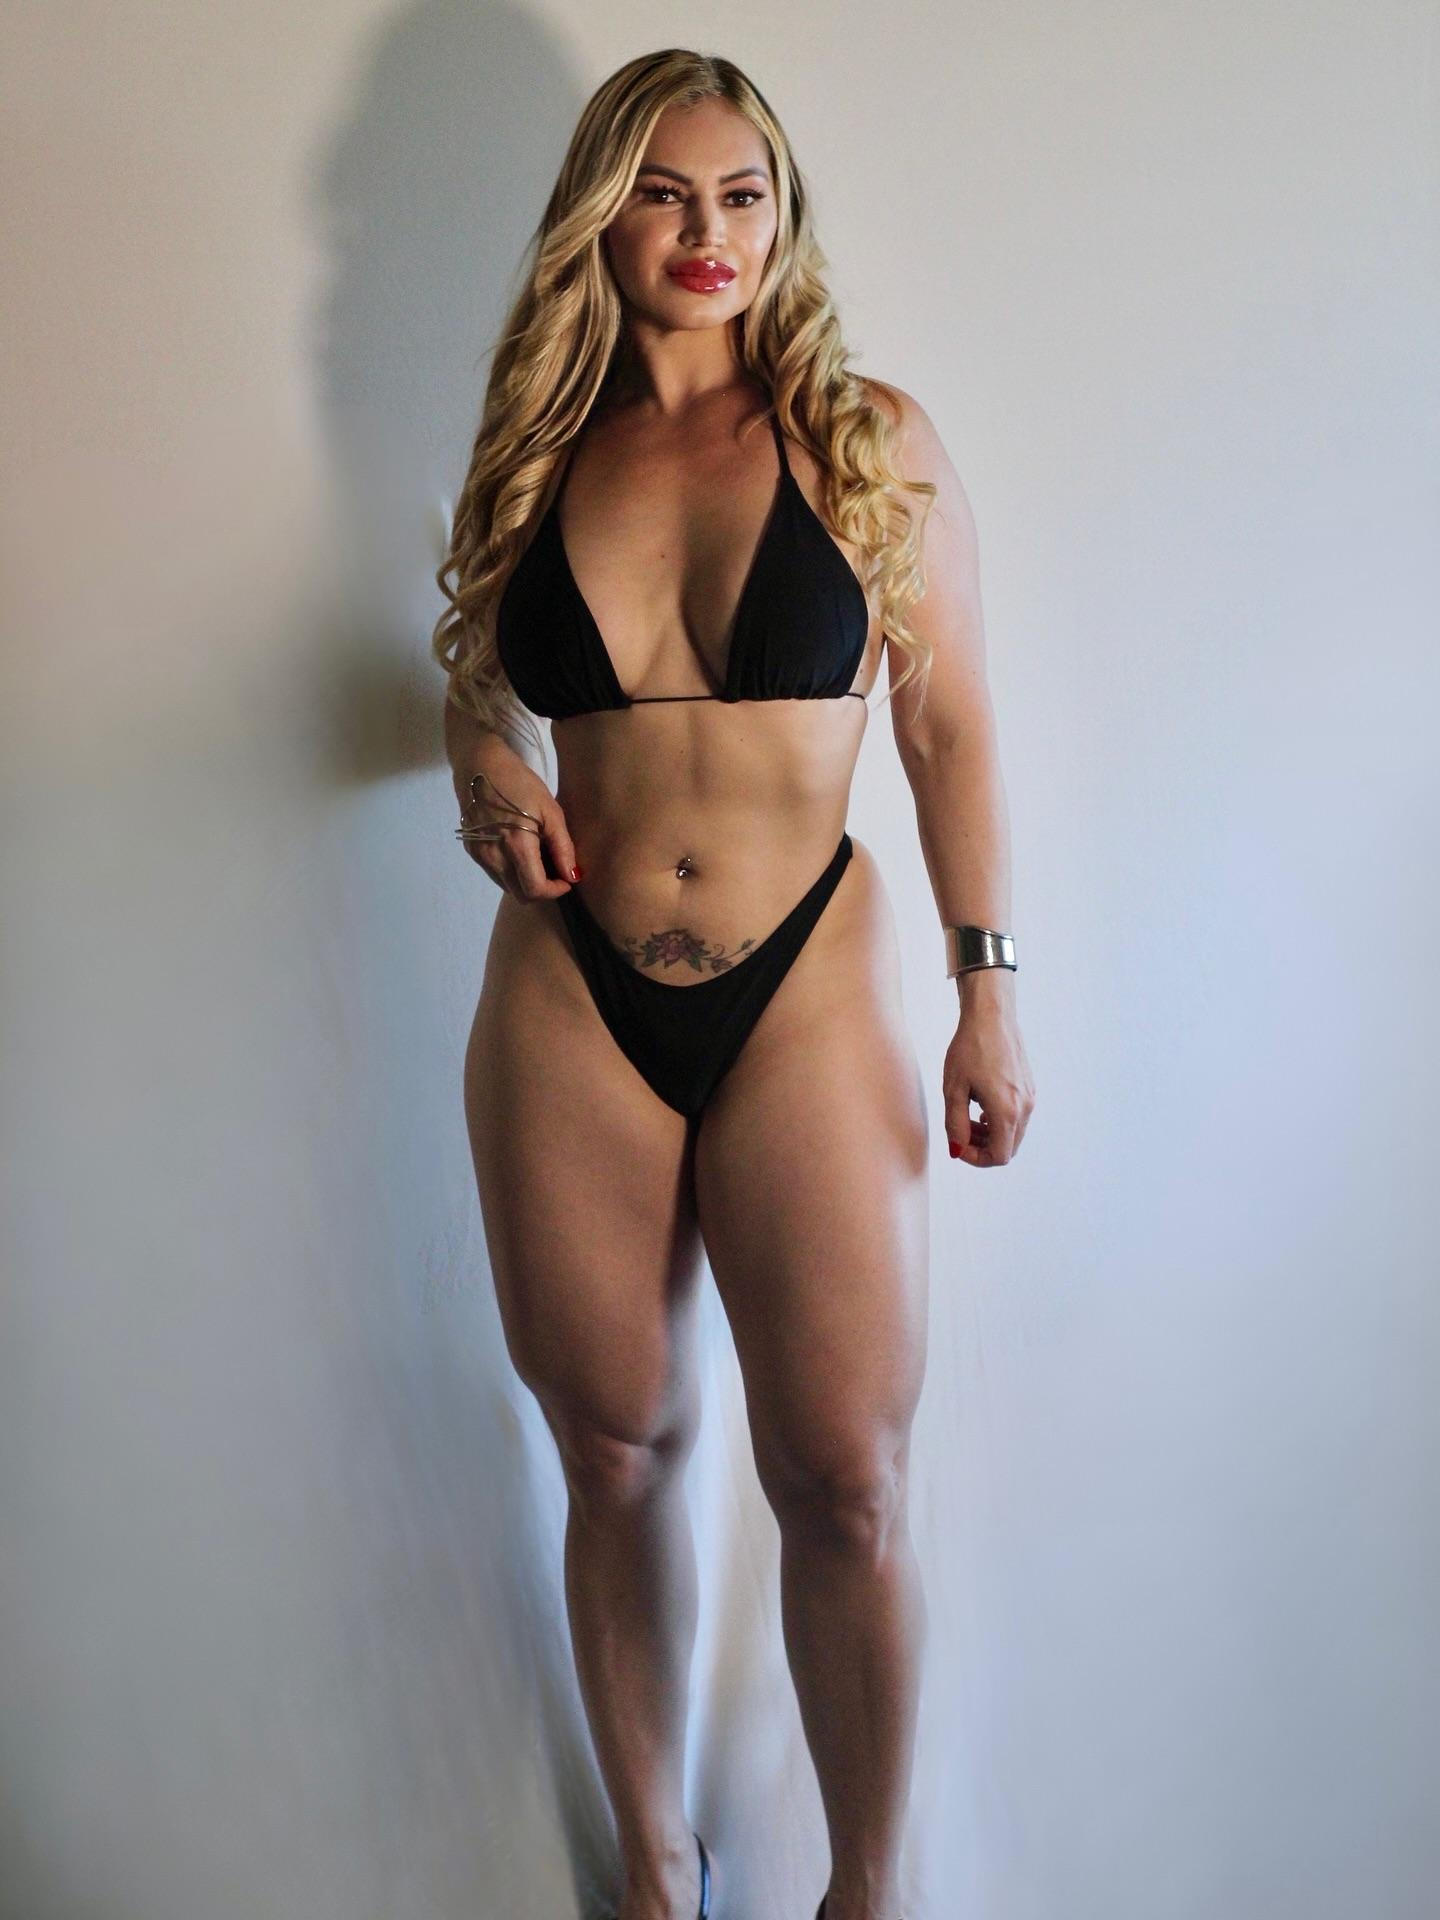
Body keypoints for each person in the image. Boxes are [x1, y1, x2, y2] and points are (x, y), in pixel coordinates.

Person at [432, 48, 1035, 1920]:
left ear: (784, 216)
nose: (712, 233)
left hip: (807, 981)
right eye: (668, 194)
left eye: (745, 195)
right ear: (599, 215)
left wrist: (989, 989)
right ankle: (655, 1869)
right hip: (570, 993)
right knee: (612, 1448)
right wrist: (479, 759)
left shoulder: (866, 436)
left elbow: (949, 730)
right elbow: (476, 679)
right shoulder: (538, 447)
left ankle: (867, 1889)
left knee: (843, 1475)